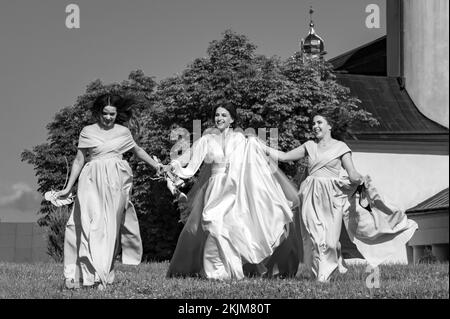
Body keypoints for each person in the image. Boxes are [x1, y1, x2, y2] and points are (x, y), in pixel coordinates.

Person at [264, 112, 418, 282]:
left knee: (330, 242)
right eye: (313, 123)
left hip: (332, 198)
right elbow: (285, 157)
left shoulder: (341, 148)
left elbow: (351, 172)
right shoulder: (309, 145)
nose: (315, 126)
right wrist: (261, 146)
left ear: (329, 126)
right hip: (310, 196)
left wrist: (360, 179)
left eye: (319, 122)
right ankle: (322, 277)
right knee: (316, 239)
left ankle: (336, 252)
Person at [166, 102, 299, 280]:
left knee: (229, 229)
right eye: (217, 115)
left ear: (232, 119)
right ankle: (219, 271)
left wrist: (254, 143)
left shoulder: (240, 140)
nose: (219, 118)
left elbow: (251, 162)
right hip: (214, 190)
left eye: (224, 115)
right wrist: (171, 166)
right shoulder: (206, 140)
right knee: (212, 224)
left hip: (235, 189)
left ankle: (225, 272)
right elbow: (189, 158)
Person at [55, 93, 163, 289]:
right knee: (88, 225)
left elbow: (137, 151)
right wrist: (68, 188)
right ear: (98, 113)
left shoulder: (123, 132)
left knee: (110, 229)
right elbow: (79, 160)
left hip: (116, 182)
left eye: (112, 114)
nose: (108, 118)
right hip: (91, 181)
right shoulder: (87, 131)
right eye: (105, 113)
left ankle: (103, 276)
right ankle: (85, 276)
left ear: (117, 114)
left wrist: (157, 166)